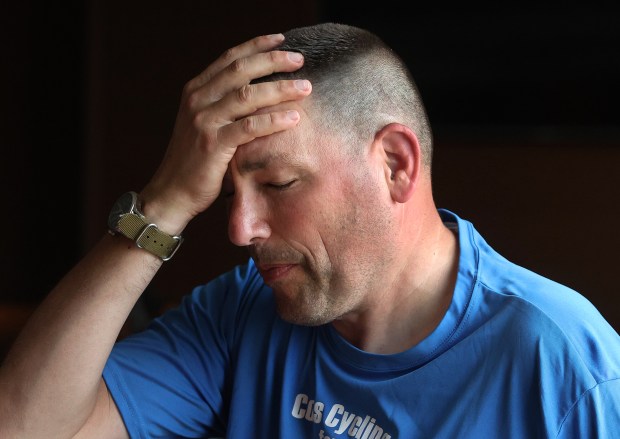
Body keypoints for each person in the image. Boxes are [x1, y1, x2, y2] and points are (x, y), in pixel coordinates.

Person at [1, 22, 619, 439]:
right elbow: (23, 426)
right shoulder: (241, 311)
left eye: (277, 185)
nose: (240, 230)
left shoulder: (566, 367)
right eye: (223, 195)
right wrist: (162, 206)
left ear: (395, 165)